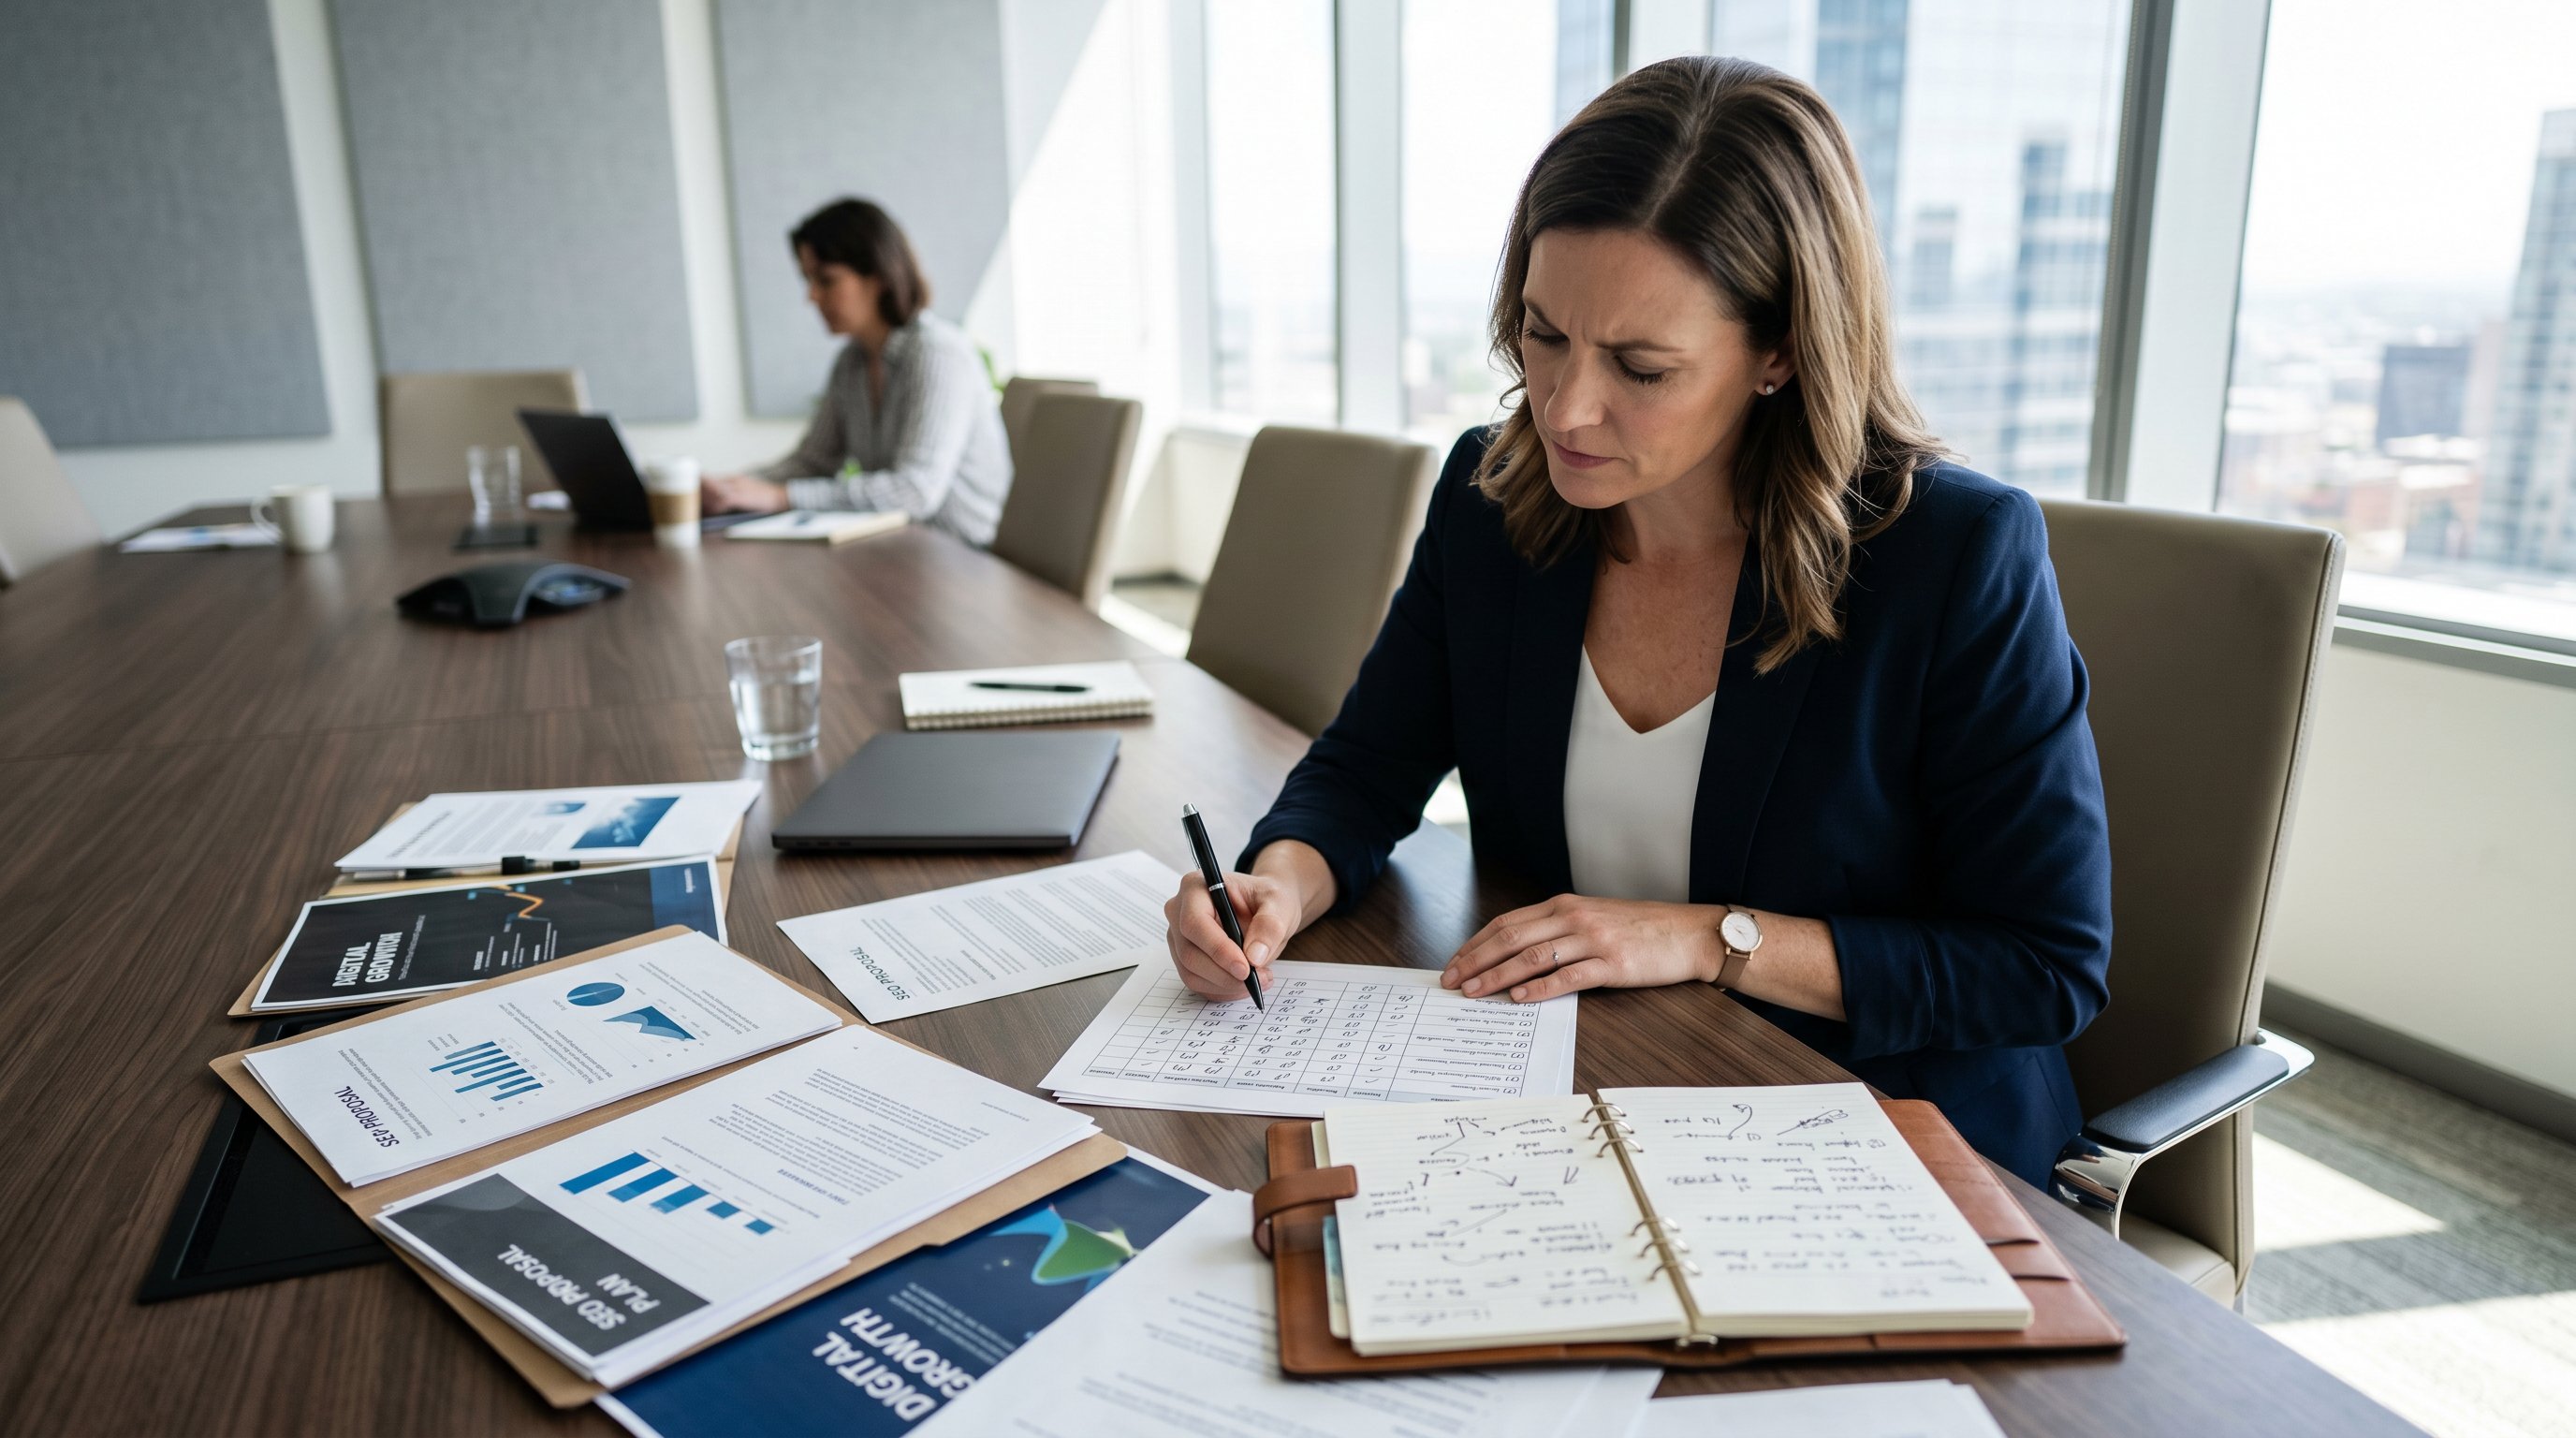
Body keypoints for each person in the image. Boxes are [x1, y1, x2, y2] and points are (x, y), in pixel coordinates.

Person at [1160, 56, 2113, 1190]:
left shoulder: (1948, 556)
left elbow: (2041, 965)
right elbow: (1367, 768)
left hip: (1872, 1129)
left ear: (1779, 351)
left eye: (1641, 368)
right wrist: (1279, 885)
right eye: (1543, 335)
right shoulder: (1493, 500)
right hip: (1592, 1085)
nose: (1565, 408)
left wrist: (1710, 937)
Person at [702, 198, 1013, 546]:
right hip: (896, 547)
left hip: (962, 555)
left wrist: (782, 497)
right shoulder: (852, 362)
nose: (812, 296)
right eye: (808, 280)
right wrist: (730, 488)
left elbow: (915, 491)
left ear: (878, 277)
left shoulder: (938, 353)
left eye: (826, 280)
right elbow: (813, 461)